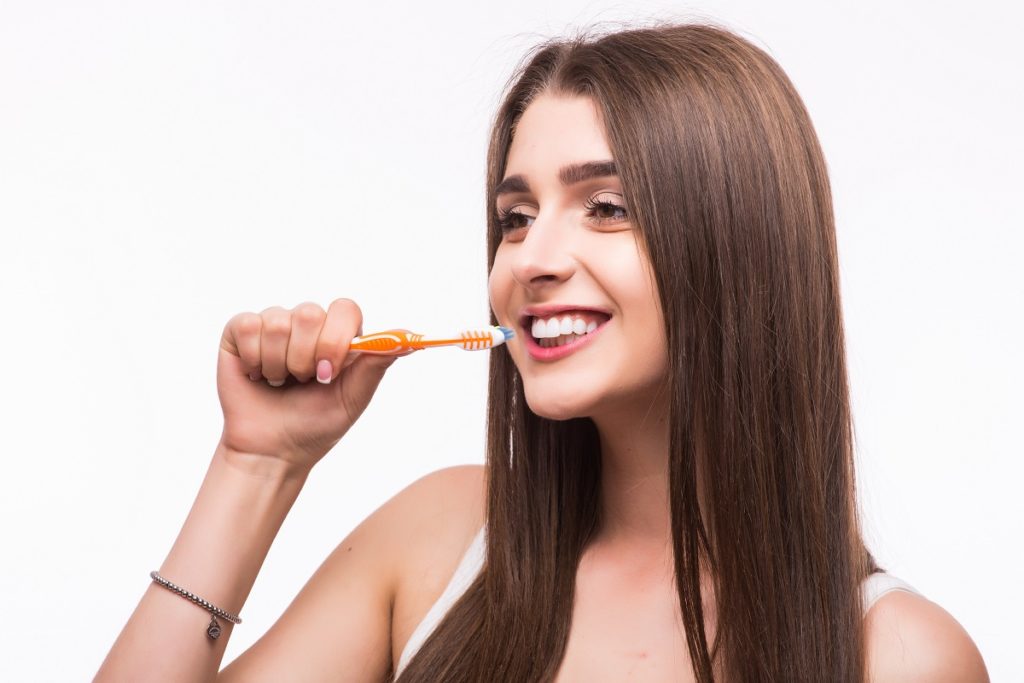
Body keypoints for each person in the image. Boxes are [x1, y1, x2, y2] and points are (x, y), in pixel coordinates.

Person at [96, 22, 989, 682]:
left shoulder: (899, 655)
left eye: (606, 207)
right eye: (515, 218)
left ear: (740, 249)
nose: (530, 259)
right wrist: (256, 463)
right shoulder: (441, 544)